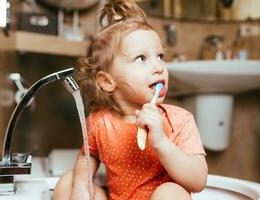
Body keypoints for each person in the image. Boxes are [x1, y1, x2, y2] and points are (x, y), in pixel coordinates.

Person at [54, 0, 208, 199]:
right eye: (142, 58)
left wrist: (161, 142)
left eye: (160, 56)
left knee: (170, 193)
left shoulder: (178, 120)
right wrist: (81, 189)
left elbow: (198, 180)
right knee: (68, 182)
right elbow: (87, 156)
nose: (159, 67)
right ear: (107, 82)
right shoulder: (100, 122)